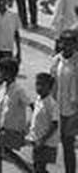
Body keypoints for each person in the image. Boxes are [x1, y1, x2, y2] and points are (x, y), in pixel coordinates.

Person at [0, 57, 32, 173]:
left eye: (1, 70)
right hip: (4, 127)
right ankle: (28, 170)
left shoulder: (18, 90)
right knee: (5, 151)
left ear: (8, 72)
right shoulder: (4, 87)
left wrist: (29, 125)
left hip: (13, 128)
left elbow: (31, 105)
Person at [48, 29, 78, 173]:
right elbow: (52, 82)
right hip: (58, 107)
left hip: (73, 110)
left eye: (70, 44)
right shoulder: (56, 60)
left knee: (68, 144)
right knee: (58, 142)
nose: (67, 46)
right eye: (64, 43)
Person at [33, 72, 62, 173]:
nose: (39, 87)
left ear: (50, 87)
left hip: (47, 142)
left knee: (39, 167)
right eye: (37, 84)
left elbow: (54, 124)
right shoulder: (38, 100)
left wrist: (42, 140)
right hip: (37, 139)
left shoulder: (52, 104)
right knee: (37, 166)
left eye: (42, 85)